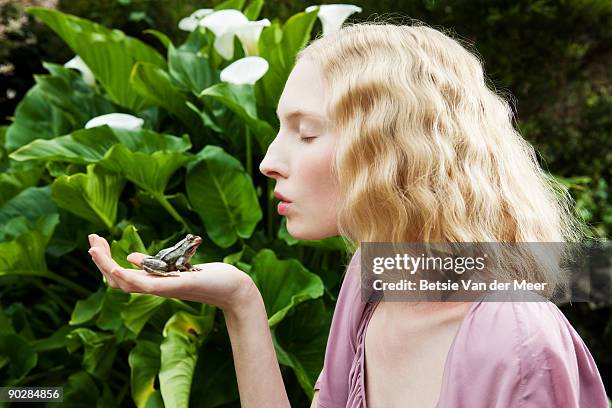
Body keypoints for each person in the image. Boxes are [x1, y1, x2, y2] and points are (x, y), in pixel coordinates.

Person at [87, 21, 609, 407]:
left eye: (306, 132)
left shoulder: (514, 342)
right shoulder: (372, 277)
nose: (269, 161)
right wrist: (240, 301)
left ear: (391, 151)